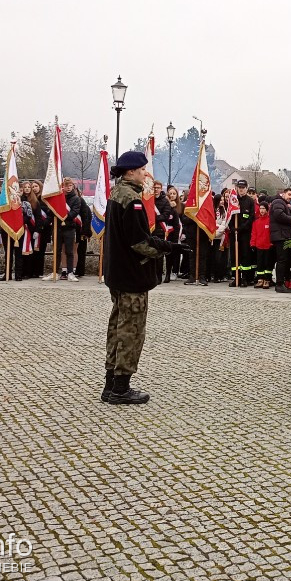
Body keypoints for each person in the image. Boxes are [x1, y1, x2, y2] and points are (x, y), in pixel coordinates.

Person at [102, 150, 188, 405]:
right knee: (131, 330)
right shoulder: (133, 200)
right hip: (131, 276)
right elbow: (140, 242)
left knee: (117, 328)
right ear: (130, 172)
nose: (145, 174)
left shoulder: (116, 194)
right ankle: (121, 388)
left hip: (117, 275)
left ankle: (110, 385)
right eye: (141, 170)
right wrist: (168, 247)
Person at [228, 179, 255, 286]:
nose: (241, 190)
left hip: (245, 233)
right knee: (235, 256)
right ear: (237, 188)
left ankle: (245, 278)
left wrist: (241, 228)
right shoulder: (233, 200)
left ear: (246, 188)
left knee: (245, 256)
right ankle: (236, 277)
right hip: (234, 233)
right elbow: (229, 215)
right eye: (240, 188)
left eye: (243, 188)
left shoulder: (250, 201)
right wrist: (232, 228)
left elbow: (251, 217)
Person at [270, 187, 291, 293]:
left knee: (283, 260)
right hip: (280, 235)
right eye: (289, 194)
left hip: (281, 234)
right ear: (283, 194)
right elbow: (279, 215)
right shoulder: (278, 202)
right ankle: (279, 284)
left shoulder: (281, 203)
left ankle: (281, 283)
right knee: (281, 260)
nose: (290, 197)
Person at [251, 199, 273, 288]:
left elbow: (272, 233)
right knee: (260, 264)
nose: (262, 210)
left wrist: (272, 243)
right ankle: (260, 280)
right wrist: (252, 244)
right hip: (259, 246)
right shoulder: (256, 221)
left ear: (267, 209)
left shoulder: (270, 221)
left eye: (263, 208)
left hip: (268, 246)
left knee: (267, 264)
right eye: (260, 208)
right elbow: (254, 233)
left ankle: (267, 280)